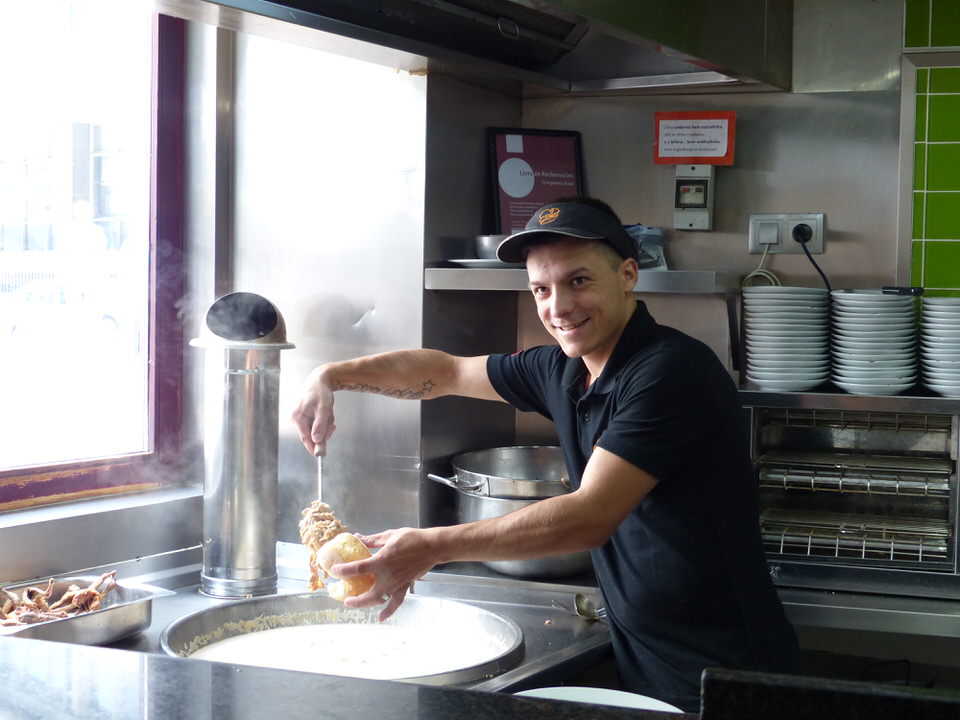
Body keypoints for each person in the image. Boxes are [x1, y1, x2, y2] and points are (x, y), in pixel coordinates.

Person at [291, 197, 799, 711]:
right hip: (647, 660)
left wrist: (428, 548)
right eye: (541, 288)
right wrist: (329, 377)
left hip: (723, 674)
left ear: (628, 275)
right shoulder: (562, 370)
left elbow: (588, 517)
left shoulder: (669, 372)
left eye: (579, 281)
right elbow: (443, 371)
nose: (558, 307)